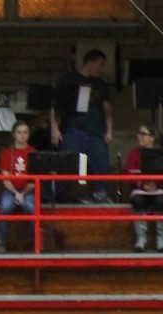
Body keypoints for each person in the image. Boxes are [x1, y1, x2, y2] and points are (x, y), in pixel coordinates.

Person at [50, 48, 112, 203]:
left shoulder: (101, 84)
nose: (102, 69)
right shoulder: (68, 80)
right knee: (65, 164)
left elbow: (107, 108)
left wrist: (109, 130)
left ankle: (101, 194)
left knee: (101, 163)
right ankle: (51, 197)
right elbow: (56, 106)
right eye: (100, 64)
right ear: (89, 63)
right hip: (74, 130)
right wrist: (54, 128)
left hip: (96, 131)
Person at [125, 123, 163, 252]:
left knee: (161, 201)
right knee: (138, 200)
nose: (139, 137)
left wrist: (155, 184)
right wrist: (142, 184)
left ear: (152, 138)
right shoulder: (133, 154)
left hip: (158, 188)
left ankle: (162, 239)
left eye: (143, 134)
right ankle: (141, 239)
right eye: (139, 134)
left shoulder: (161, 154)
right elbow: (129, 173)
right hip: (139, 188)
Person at [0, 120, 36, 253]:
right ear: (13, 134)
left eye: (25, 132)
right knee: (6, 206)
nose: (22, 135)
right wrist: (16, 193)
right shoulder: (6, 153)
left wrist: (23, 193)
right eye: (19, 132)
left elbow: (34, 180)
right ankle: (1, 241)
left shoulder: (33, 153)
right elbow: (6, 178)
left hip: (28, 190)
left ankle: (34, 241)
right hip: (10, 190)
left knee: (31, 207)